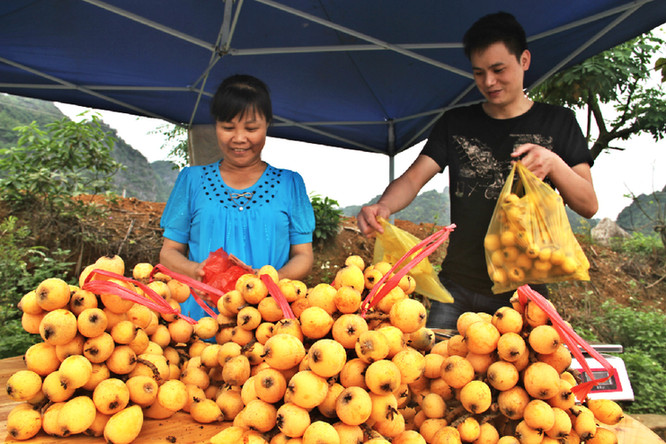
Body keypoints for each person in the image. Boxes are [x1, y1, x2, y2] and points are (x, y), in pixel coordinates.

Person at [356, 12, 598, 330]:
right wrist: (383, 206)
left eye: (499, 70)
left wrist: (553, 162)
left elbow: (588, 204)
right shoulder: (455, 123)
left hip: (524, 296)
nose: (489, 82)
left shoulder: (558, 122)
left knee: (525, 378)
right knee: (437, 376)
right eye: (479, 72)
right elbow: (414, 178)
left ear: (524, 60)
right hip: (456, 289)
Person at [160, 74, 316, 320]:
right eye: (228, 127)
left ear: (267, 125)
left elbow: (304, 256)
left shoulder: (290, 184)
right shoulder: (192, 181)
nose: (239, 138)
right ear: (216, 126)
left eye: (251, 128)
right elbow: (168, 251)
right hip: (199, 322)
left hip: (268, 323)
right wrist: (195, 270)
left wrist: (270, 282)